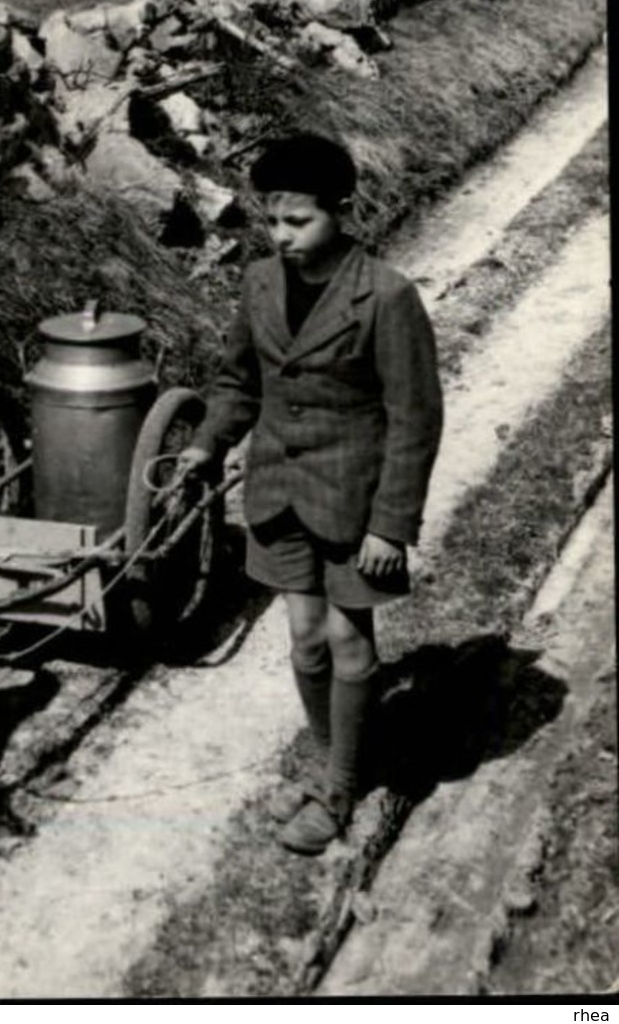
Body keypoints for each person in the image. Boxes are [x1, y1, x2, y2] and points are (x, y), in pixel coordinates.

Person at [177, 132, 443, 854]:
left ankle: (341, 787)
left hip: (355, 506)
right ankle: (333, 761)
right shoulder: (259, 281)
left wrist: (392, 525)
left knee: (348, 640)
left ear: (342, 211)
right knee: (302, 635)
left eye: (300, 221)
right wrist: (207, 443)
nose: (283, 236)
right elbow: (239, 380)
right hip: (277, 494)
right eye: (274, 221)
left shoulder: (386, 295)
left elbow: (416, 418)